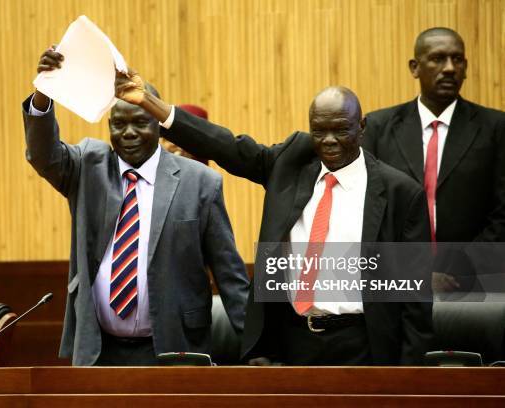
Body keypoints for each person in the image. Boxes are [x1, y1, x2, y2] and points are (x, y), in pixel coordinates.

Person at [115, 72, 433, 365]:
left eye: (341, 129)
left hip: (364, 344)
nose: (329, 141)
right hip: (294, 342)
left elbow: (415, 302)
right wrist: (152, 105)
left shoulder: (400, 194)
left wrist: (409, 377)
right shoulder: (292, 163)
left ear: (361, 127)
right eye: (319, 131)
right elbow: (226, 147)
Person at [22, 47, 249, 366]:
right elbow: (43, 155)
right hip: (100, 348)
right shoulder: (88, 166)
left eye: (140, 123)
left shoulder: (200, 182)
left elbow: (230, 274)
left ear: (159, 124)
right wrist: (44, 94)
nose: (128, 133)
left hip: (173, 344)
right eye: (118, 125)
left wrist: (258, 347)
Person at [362, 27, 505, 297]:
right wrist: (414, 271)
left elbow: (502, 212)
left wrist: (459, 268)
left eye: (458, 59)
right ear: (415, 67)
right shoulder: (378, 128)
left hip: (476, 285)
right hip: (398, 286)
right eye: (438, 58)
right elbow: (369, 212)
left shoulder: (496, 128)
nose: (450, 68)